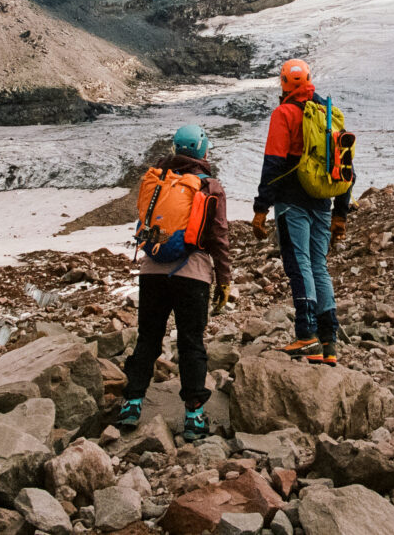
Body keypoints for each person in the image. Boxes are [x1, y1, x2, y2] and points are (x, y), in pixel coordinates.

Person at [117, 124, 232, 440]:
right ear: (202, 151)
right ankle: (194, 416)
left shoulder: (156, 181)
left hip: (152, 271)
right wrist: (224, 280)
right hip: (192, 273)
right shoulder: (210, 187)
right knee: (191, 341)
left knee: (148, 338)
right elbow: (219, 238)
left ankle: (132, 403)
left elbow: (146, 224)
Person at [251, 59, 351, 366]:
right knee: (318, 266)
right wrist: (340, 214)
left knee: (300, 264)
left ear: (283, 84)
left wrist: (260, 208)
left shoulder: (284, 114)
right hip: (322, 201)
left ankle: (306, 335)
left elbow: (274, 163)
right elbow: (345, 167)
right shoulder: (328, 115)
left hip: (292, 202)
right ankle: (328, 343)